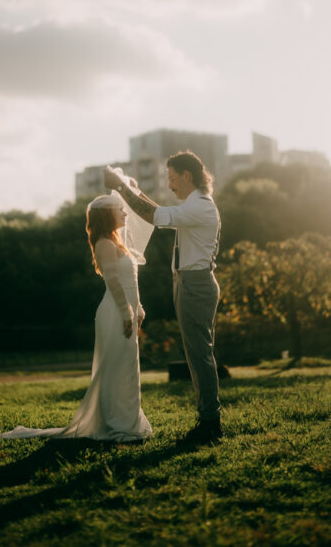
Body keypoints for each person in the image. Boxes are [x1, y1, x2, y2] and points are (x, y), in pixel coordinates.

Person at [0, 183, 153, 443]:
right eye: (120, 210)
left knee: (128, 368)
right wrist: (126, 312)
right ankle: (117, 422)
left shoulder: (119, 243)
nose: (126, 214)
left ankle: (127, 420)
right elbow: (114, 282)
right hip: (115, 313)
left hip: (128, 311)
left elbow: (132, 280)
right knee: (116, 367)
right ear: (107, 215)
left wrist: (138, 308)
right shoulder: (104, 243)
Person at [104, 151, 221, 445]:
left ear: (186, 176)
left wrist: (120, 187)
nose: (170, 185)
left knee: (199, 355)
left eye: (171, 178)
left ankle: (210, 424)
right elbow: (160, 212)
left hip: (195, 284)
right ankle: (208, 419)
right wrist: (134, 191)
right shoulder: (193, 206)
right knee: (196, 354)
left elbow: (155, 217)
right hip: (187, 282)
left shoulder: (202, 207)